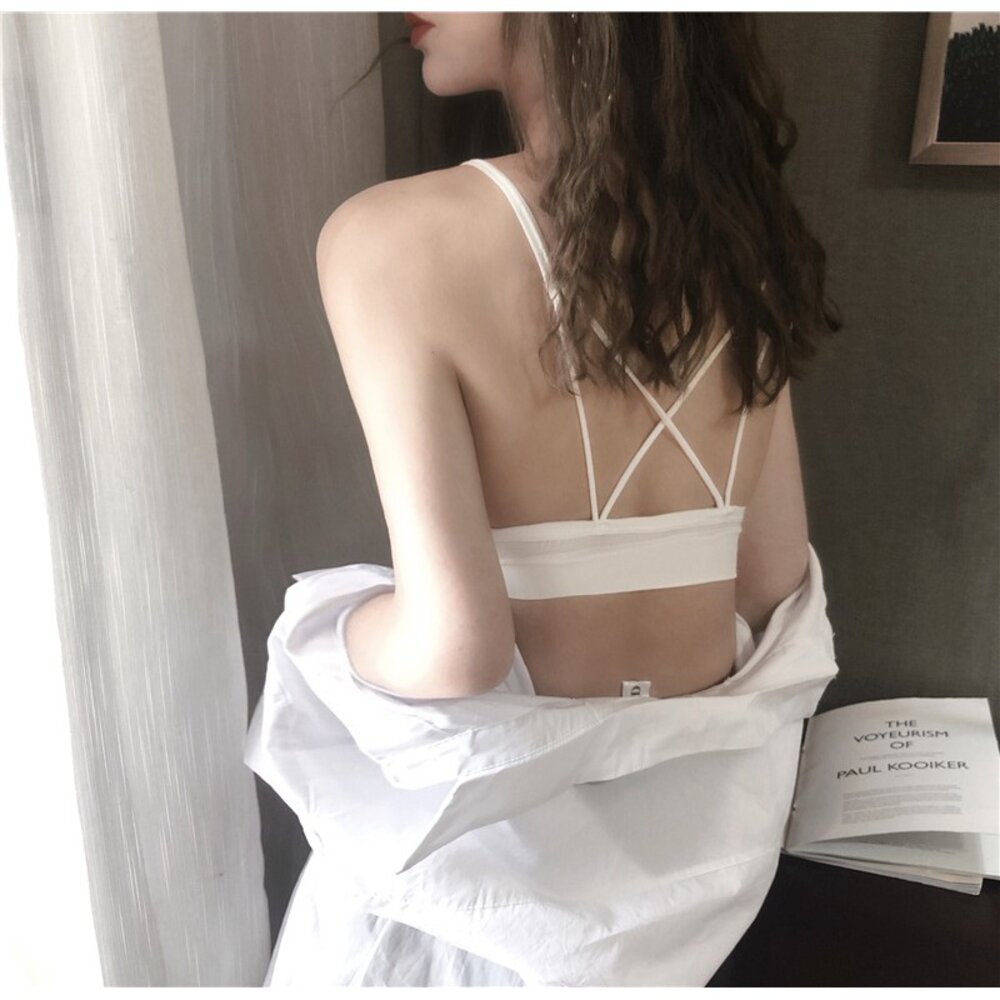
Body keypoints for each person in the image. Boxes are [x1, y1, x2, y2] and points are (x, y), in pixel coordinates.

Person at [244, 12, 843, 986]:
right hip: (678, 898)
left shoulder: (388, 240)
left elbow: (455, 647)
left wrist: (321, 630)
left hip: (476, 897)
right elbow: (770, 578)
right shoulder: (739, 240)